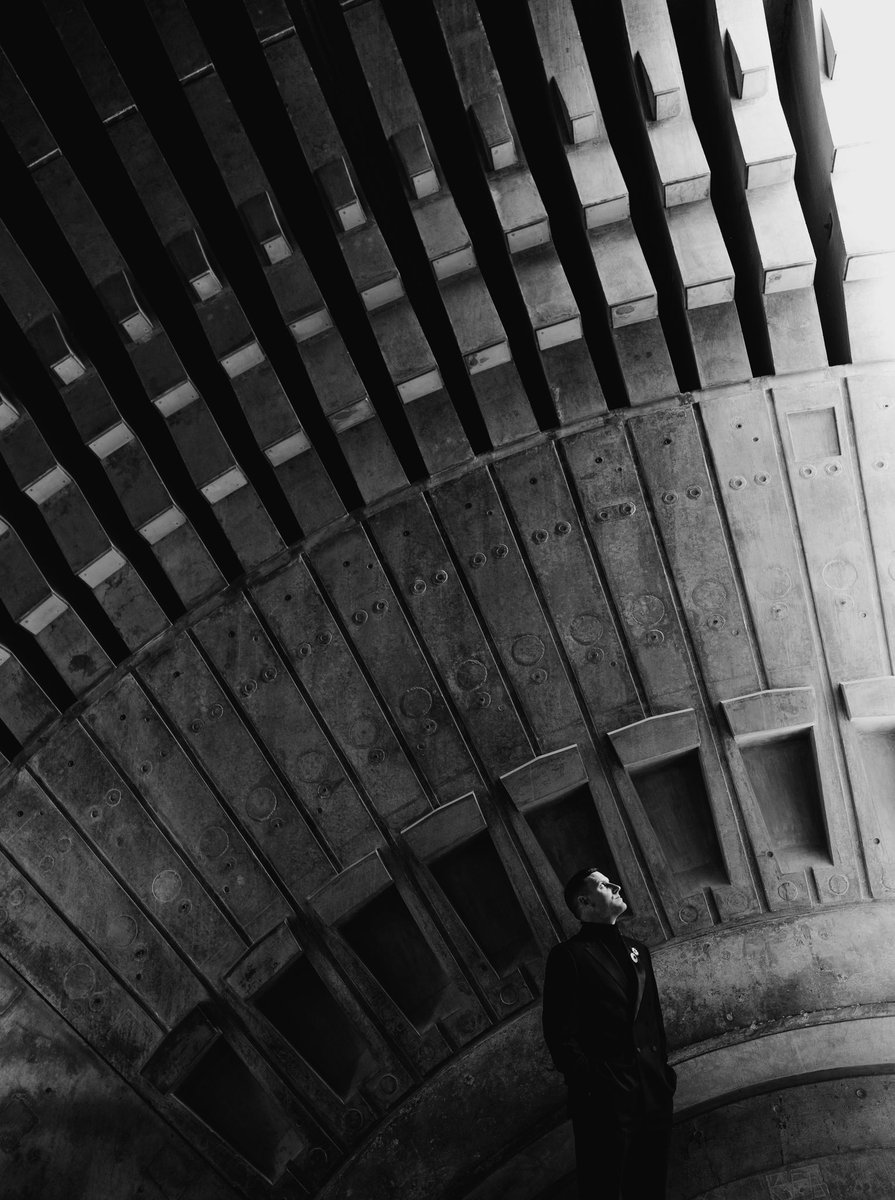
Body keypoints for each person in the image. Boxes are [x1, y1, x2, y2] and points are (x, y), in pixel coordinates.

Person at [541, 866, 676, 1199]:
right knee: (605, 1189)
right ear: (585, 903)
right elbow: (560, 1037)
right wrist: (600, 1085)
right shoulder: (568, 956)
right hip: (604, 1103)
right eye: (604, 885)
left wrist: (664, 1076)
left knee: (650, 1187)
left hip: (653, 1093)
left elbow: (653, 1021)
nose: (616, 887)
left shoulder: (638, 950)